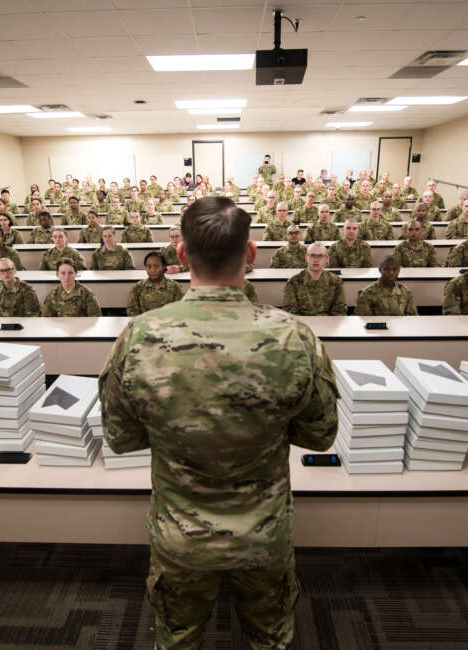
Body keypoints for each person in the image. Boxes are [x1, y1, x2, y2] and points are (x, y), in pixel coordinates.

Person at [99, 196, 338, 649]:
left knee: (179, 640)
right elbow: (320, 435)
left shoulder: (139, 336)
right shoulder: (294, 337)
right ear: (250, 254)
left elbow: (121, 438)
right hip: (264, 535)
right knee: (271, 640)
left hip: (181, 538)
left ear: (181, 255)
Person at [282, 242, 347, 315]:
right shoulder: (293, 282)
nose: (316, 259)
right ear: (306, 258)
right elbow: (290, 312)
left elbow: (339, 311)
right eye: (312, 255)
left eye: (320, 256)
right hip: (303, 324)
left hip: (328, 325)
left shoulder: (336, 282)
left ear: (326, 259)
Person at [126, 252, 184, 316]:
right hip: (144, 324)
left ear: (163, 267)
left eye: (156, 266)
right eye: (149, 266)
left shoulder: (175, 287)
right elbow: (132, 311)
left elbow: (180, 311)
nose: (152, 270)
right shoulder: (138, 287)